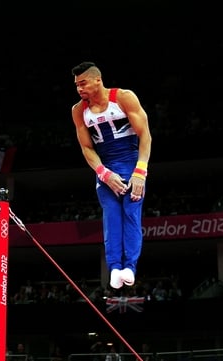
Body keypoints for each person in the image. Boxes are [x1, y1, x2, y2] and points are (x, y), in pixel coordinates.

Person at [70, 61, 152, 289]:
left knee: (131, 212)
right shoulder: (79, 111)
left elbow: (145, 135)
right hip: (105, 170)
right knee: (112, 217)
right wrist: (104, 174)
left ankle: (130, 268)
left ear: (98, 80)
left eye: (83, 83)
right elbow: (87, 148)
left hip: (131, 165)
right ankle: (115, 268)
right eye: (76, 85)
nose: (79, 89)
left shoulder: (124, 98)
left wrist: (140, 172)